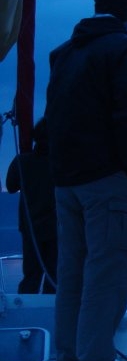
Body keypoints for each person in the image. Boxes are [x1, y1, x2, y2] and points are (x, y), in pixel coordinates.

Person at [44, 0, 127, 361]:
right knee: (109, 270)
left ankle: (69, 355)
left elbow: (55, 116)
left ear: (96, 3)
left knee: (72, 269)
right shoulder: (125, 51)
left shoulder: (63, 54)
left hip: (65, 181)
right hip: (107, 180)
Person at [5, 118, 57, 293]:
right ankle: (53, 313)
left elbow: (11, 187)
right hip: (55, 228)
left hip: (30, 227)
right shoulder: (60, 163)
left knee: (31, 275)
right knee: (54, 275)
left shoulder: (23, 161)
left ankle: (27, 314)